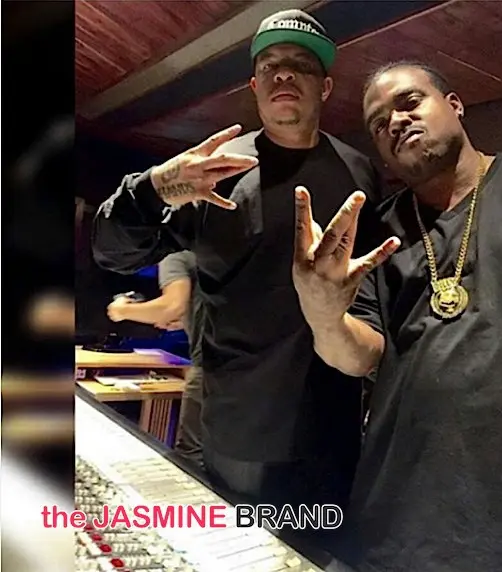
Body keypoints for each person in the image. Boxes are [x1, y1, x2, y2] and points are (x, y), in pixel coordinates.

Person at [92, 9, 381, 516]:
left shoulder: (359, 171)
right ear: (254, 85)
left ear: (326, 87)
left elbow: (372, 295)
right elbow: (112, 253)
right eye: (270, 66)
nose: (284, 74)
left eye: (300, 65)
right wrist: (153, 188)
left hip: (331, 432)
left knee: (321, 549)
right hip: (240, 431)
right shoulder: (215, 170)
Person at [292, 61, 502, 571]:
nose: (395, 121)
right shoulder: (378, 229)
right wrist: (323, 313)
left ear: (454, 105)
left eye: (410, 102)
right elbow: (361, 355)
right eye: (378, 123)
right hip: (399, 515)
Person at [107, 250, 204, 466]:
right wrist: (187, 320)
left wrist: (122, 310)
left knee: (191, 456)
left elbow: (172, 306)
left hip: (212, 367)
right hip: (259, 366)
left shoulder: (175, 255)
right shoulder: (218, 251)